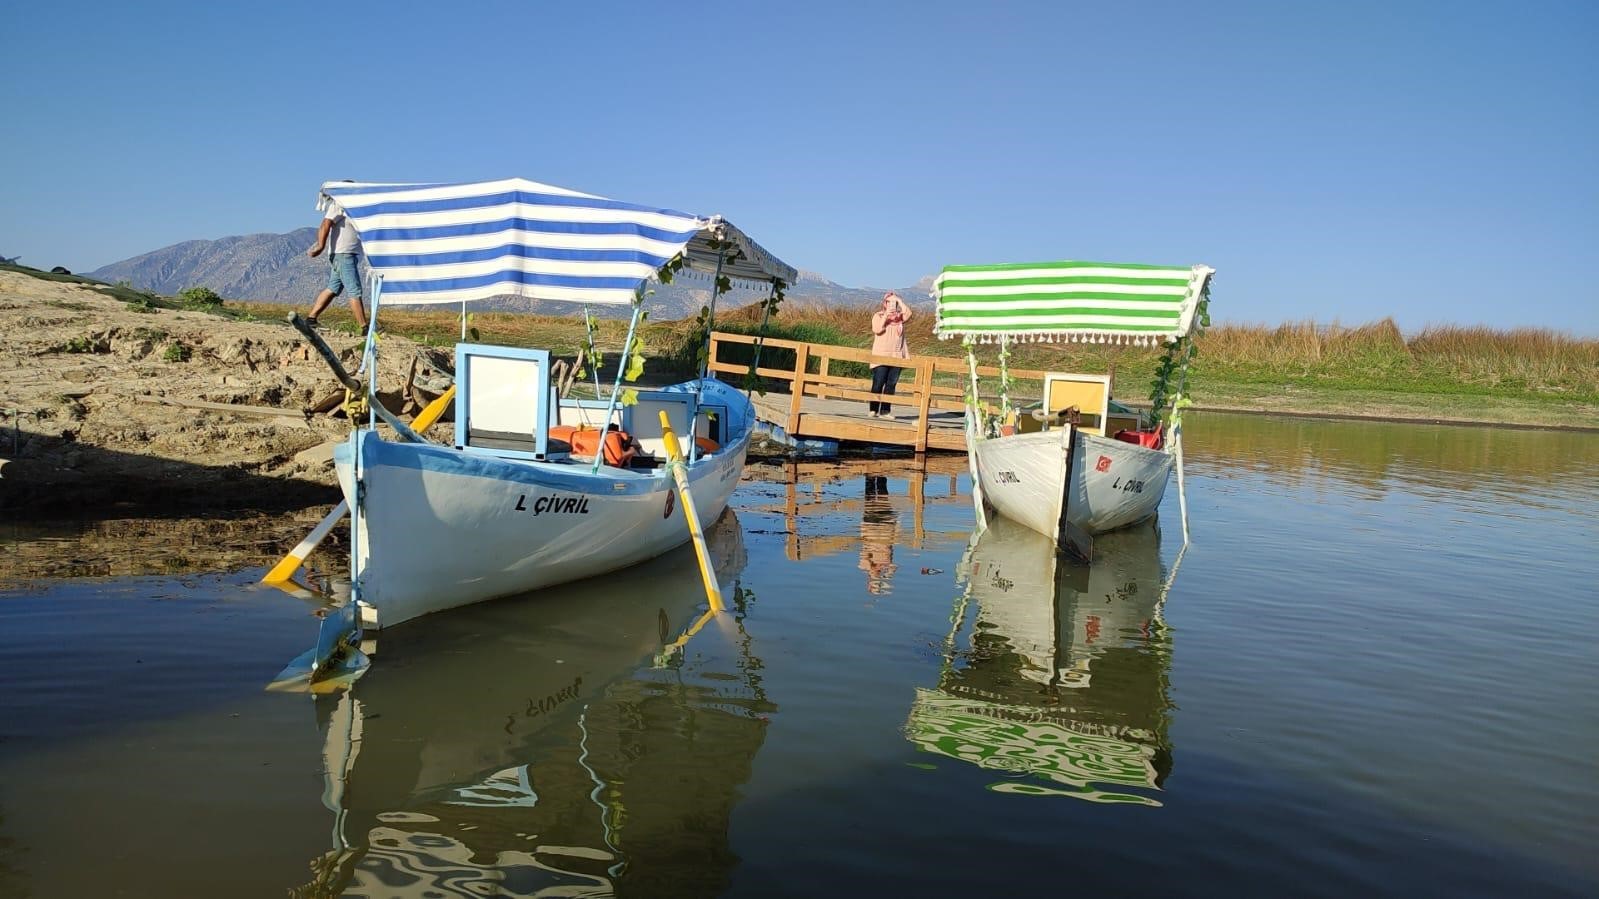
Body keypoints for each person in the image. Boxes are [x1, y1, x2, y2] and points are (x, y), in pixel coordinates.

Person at [306, 185, 367, 330]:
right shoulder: (340, 205)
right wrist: (320, 246)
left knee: (333, 288)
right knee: (354, 290)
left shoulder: (352, 208)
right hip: (343, 255)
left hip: (346, 255)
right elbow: (326, 224)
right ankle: (364, 327)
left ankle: (311, 318)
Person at [868, 291, 912, 418]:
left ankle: (885, 411)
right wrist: (886, 316)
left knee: (891, 384)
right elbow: (877, 329)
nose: (891, 304)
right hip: (881, 355)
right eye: (889, 302)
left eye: (893, 302)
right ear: (884, 303)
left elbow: (908, 314)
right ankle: (873, 409)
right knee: (878, 382)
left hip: (896, 355)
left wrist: (899, 301)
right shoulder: (878, 315)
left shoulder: (899, 317)